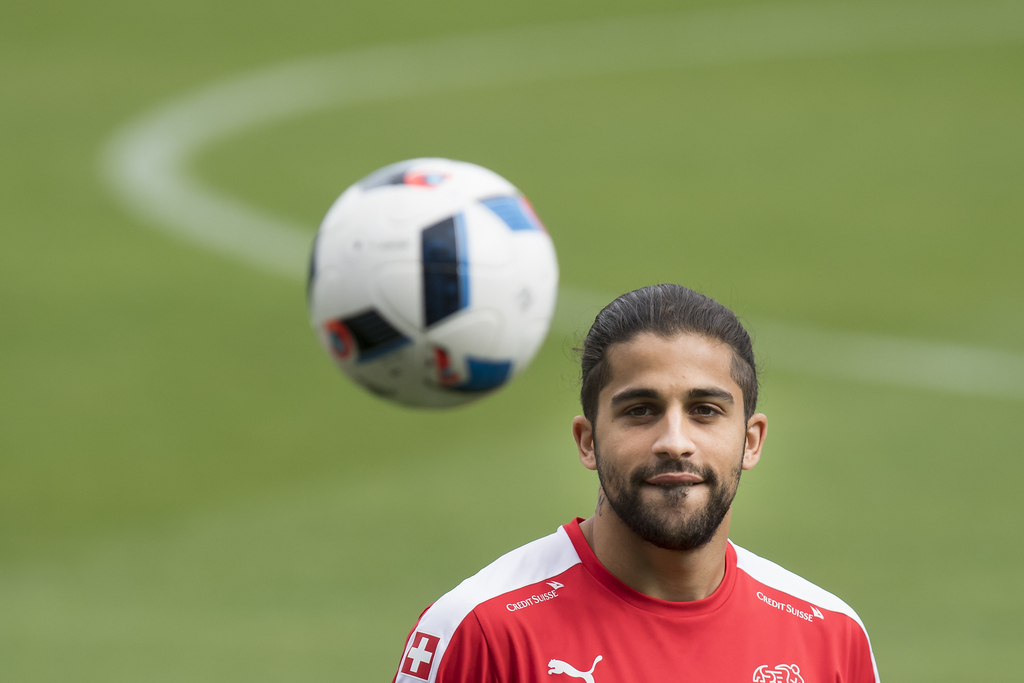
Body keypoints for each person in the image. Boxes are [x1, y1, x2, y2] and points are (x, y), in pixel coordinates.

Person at [392, 284, 879, 683]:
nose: (674, 442)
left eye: (705, 411)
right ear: (588, 441)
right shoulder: (481, 631)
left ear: (751, 441)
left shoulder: (830, 637)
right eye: (639, 410)